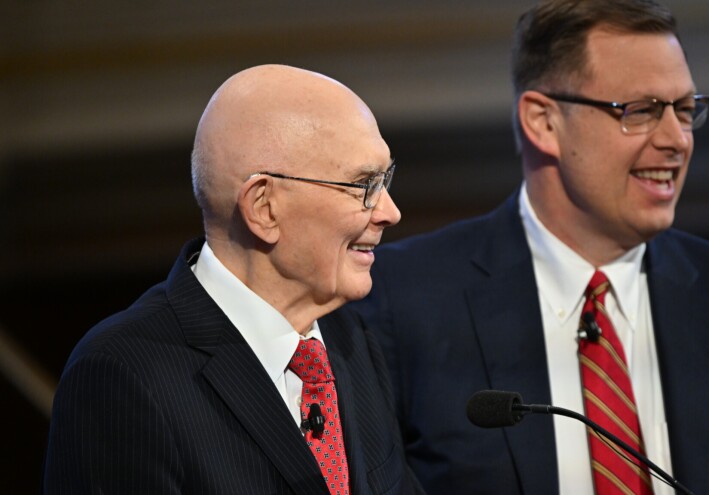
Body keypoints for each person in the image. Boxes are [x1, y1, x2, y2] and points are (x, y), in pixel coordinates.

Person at [350, 1, 709, 494]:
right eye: (642, 110)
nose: (677, 139)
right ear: (543, 122)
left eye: (685, 109)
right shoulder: (400, 300)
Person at [43, 64, 424, 494]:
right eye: (363, 185)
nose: (389, 211)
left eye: (384, 179)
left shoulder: (350, 341)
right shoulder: (122, 376)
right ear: (264, 207)